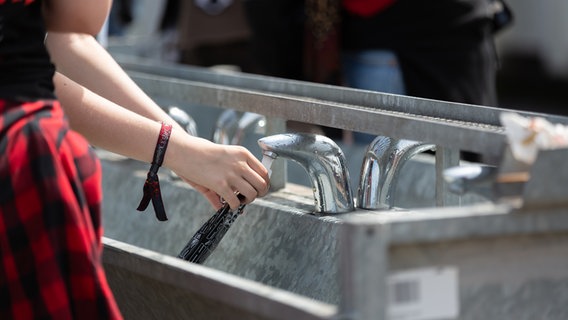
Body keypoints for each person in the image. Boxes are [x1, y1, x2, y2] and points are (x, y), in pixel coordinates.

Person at [0, 1, 270, 319]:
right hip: (21, 166)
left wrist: (183, 148)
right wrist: (176, 149)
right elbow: (66, 35)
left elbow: (68, 39)